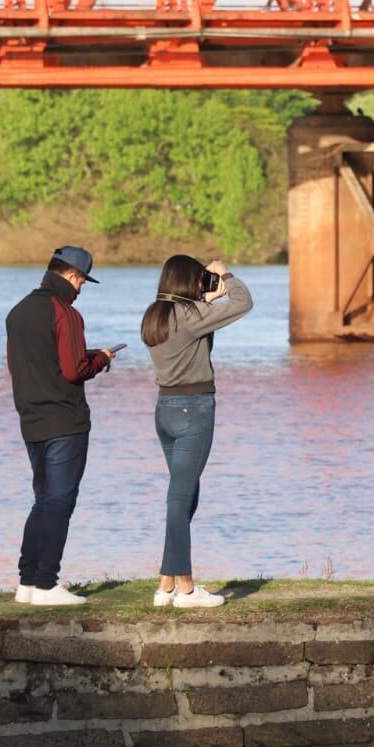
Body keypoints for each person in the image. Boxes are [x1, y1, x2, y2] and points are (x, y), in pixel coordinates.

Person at [5, 246, 117, 606]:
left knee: (42, 501)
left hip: (31, 419)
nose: (81, 288)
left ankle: (27, 582)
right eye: (82, 280)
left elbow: (29, 365)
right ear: (72, 276)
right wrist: (100, 358)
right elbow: (73, 370)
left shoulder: (18, 311)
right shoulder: (66, 313)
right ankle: (47, 584)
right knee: (60, 502)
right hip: (65, 422)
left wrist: (86, 356)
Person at [141, 255, 254, 609]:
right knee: (180, 499)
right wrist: (225, 274)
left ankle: (166, 584)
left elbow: (190, 325)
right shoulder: (191, 318)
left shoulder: (155, 315)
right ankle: (186, 588)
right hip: (194, 411)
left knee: (184, 495)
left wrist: (205, 300)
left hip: (165, 411)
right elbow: (243, 302)